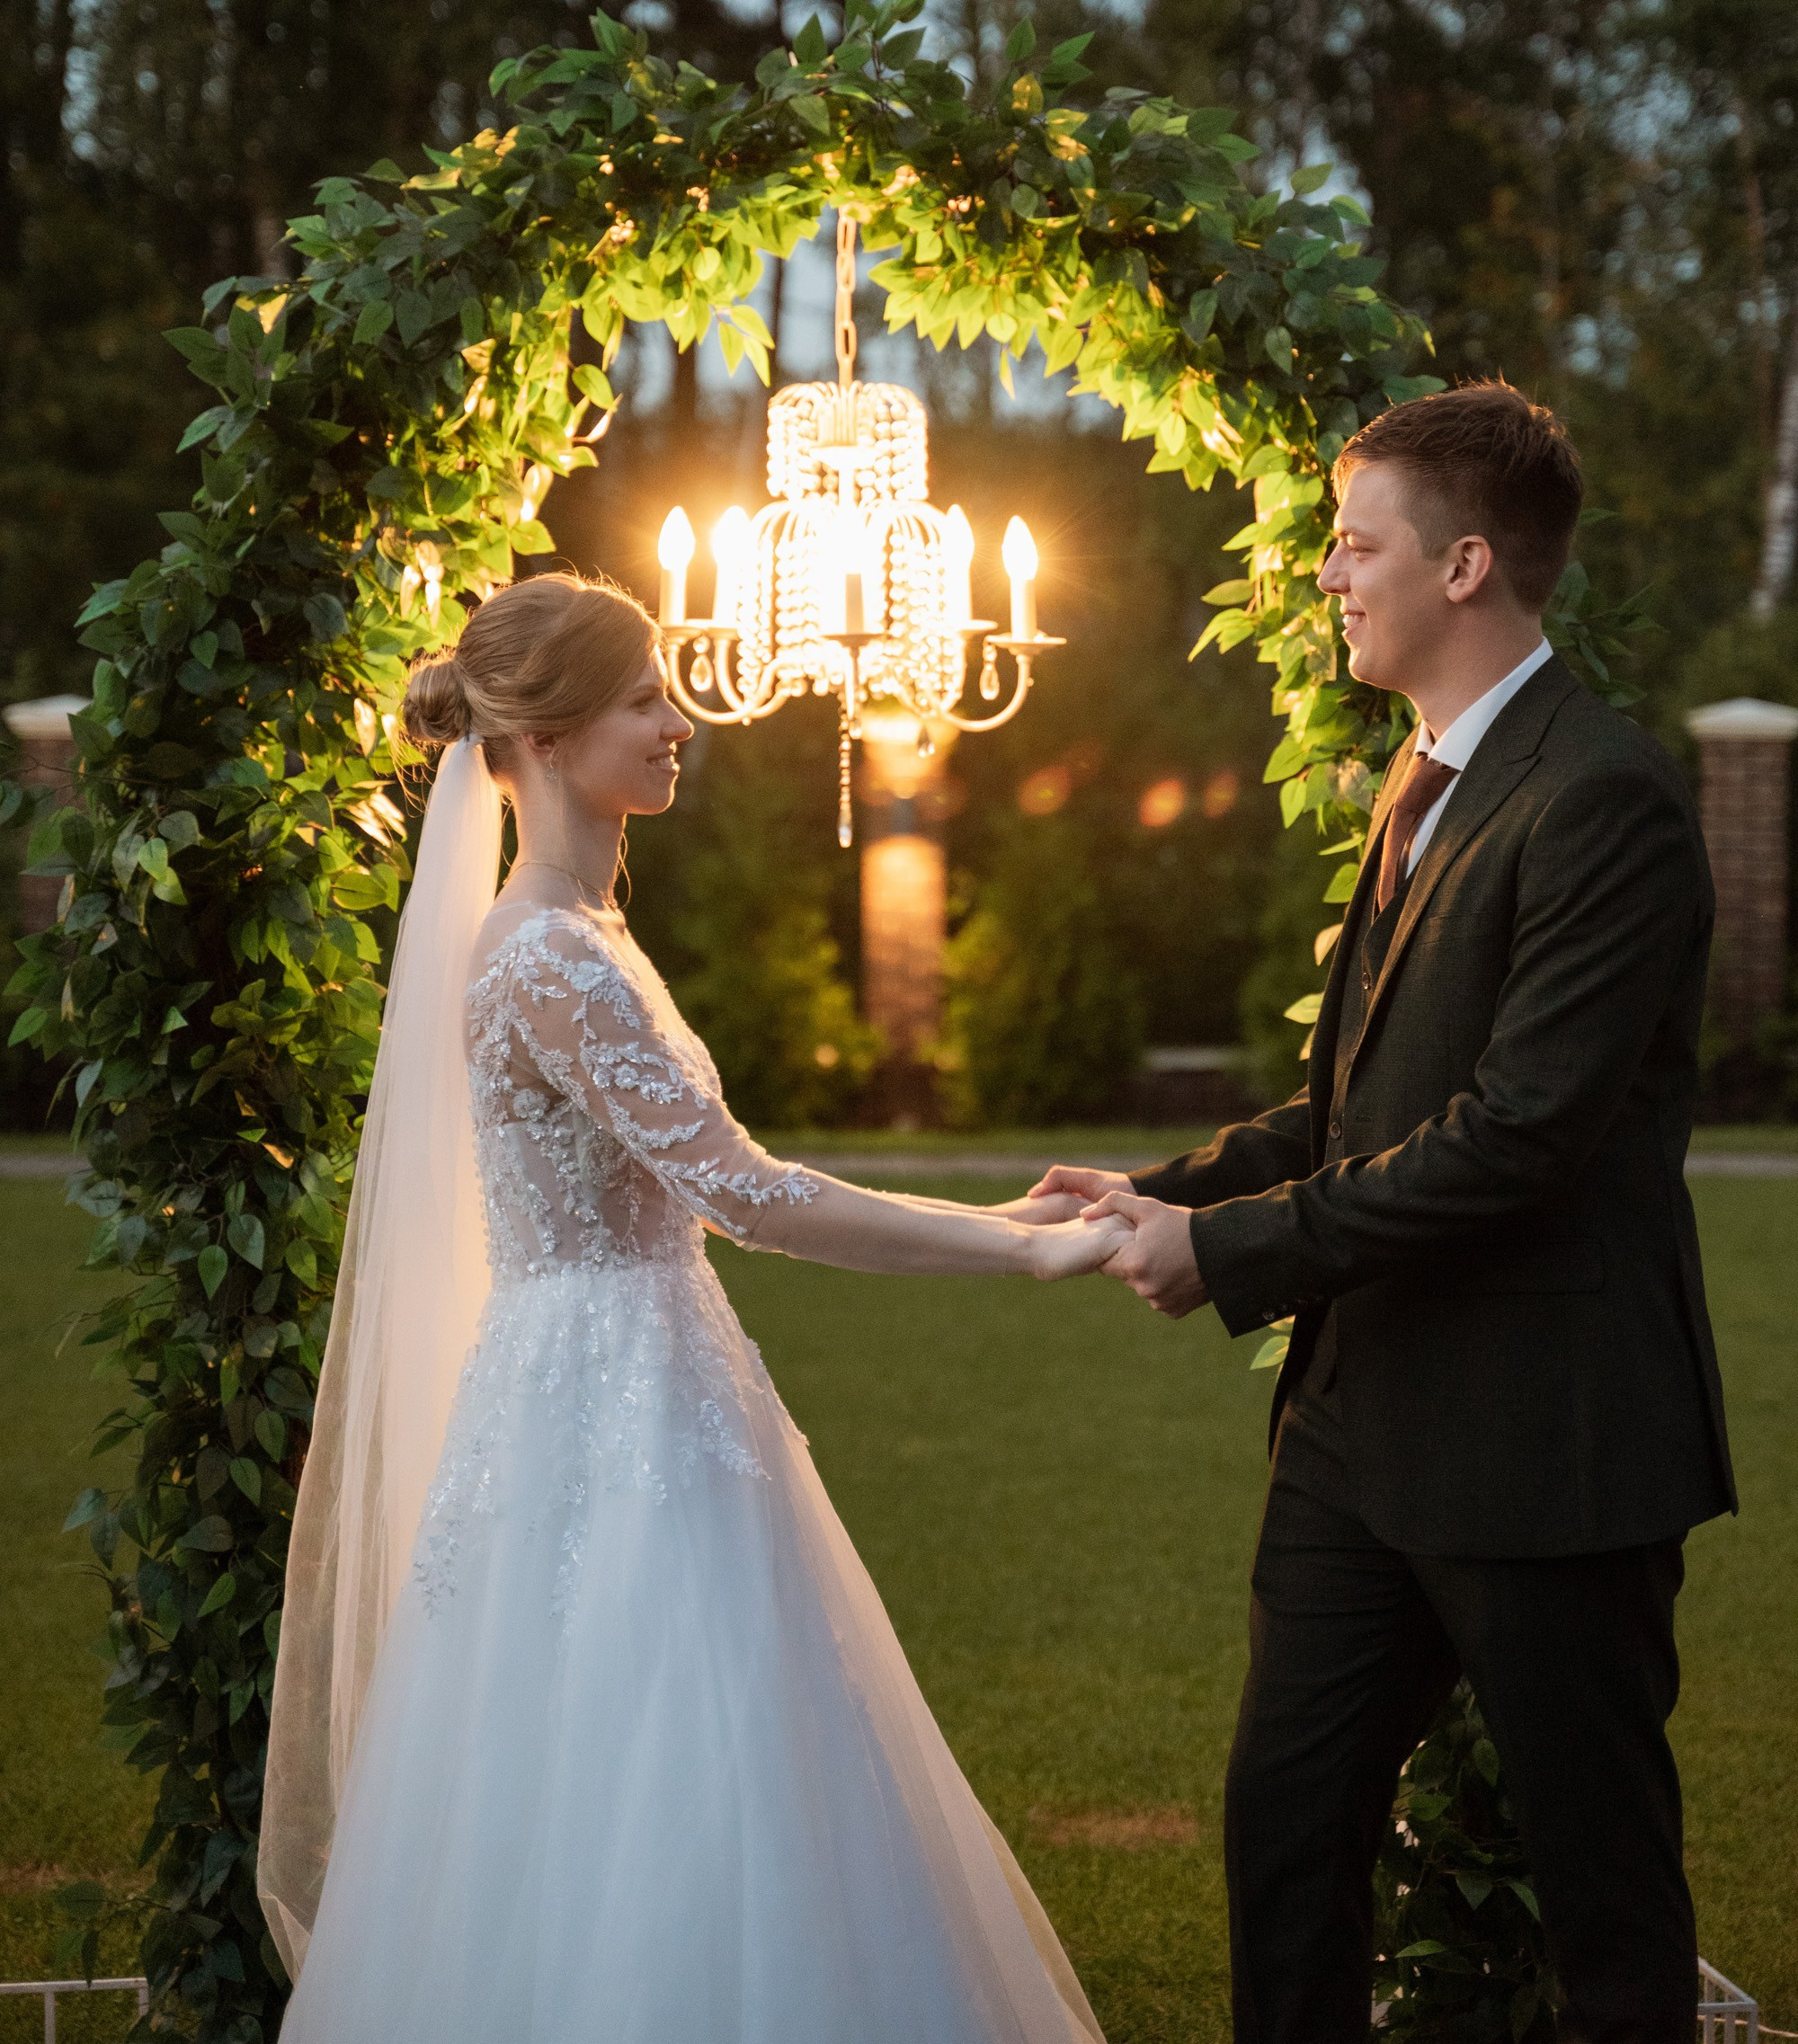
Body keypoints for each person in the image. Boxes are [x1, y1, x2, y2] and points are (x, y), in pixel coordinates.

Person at [259, 572, 1125, 2044]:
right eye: (644, 696)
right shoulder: (547, 956)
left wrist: (993, 1211)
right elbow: (753, 1195)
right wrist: (1018, 1258)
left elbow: (724, 1185)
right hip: (610, 1419)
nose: (681, 720)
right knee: (652, 1770)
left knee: (737, 1767)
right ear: (537, 736)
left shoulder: (586, 933)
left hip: (649, 1380)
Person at [1031, 381, 1735, 2044]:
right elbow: (1363, 1108)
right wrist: (1170, 1189)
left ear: (1469, 564)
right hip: (1357, 1438)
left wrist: (1227, 1254)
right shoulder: (1414, 782)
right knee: (1287, 1840)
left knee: (1606, 1894)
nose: (1327, 575)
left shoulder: (1602, 801)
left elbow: (1511, 1144)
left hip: (1548, 1447)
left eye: (1357, 544)